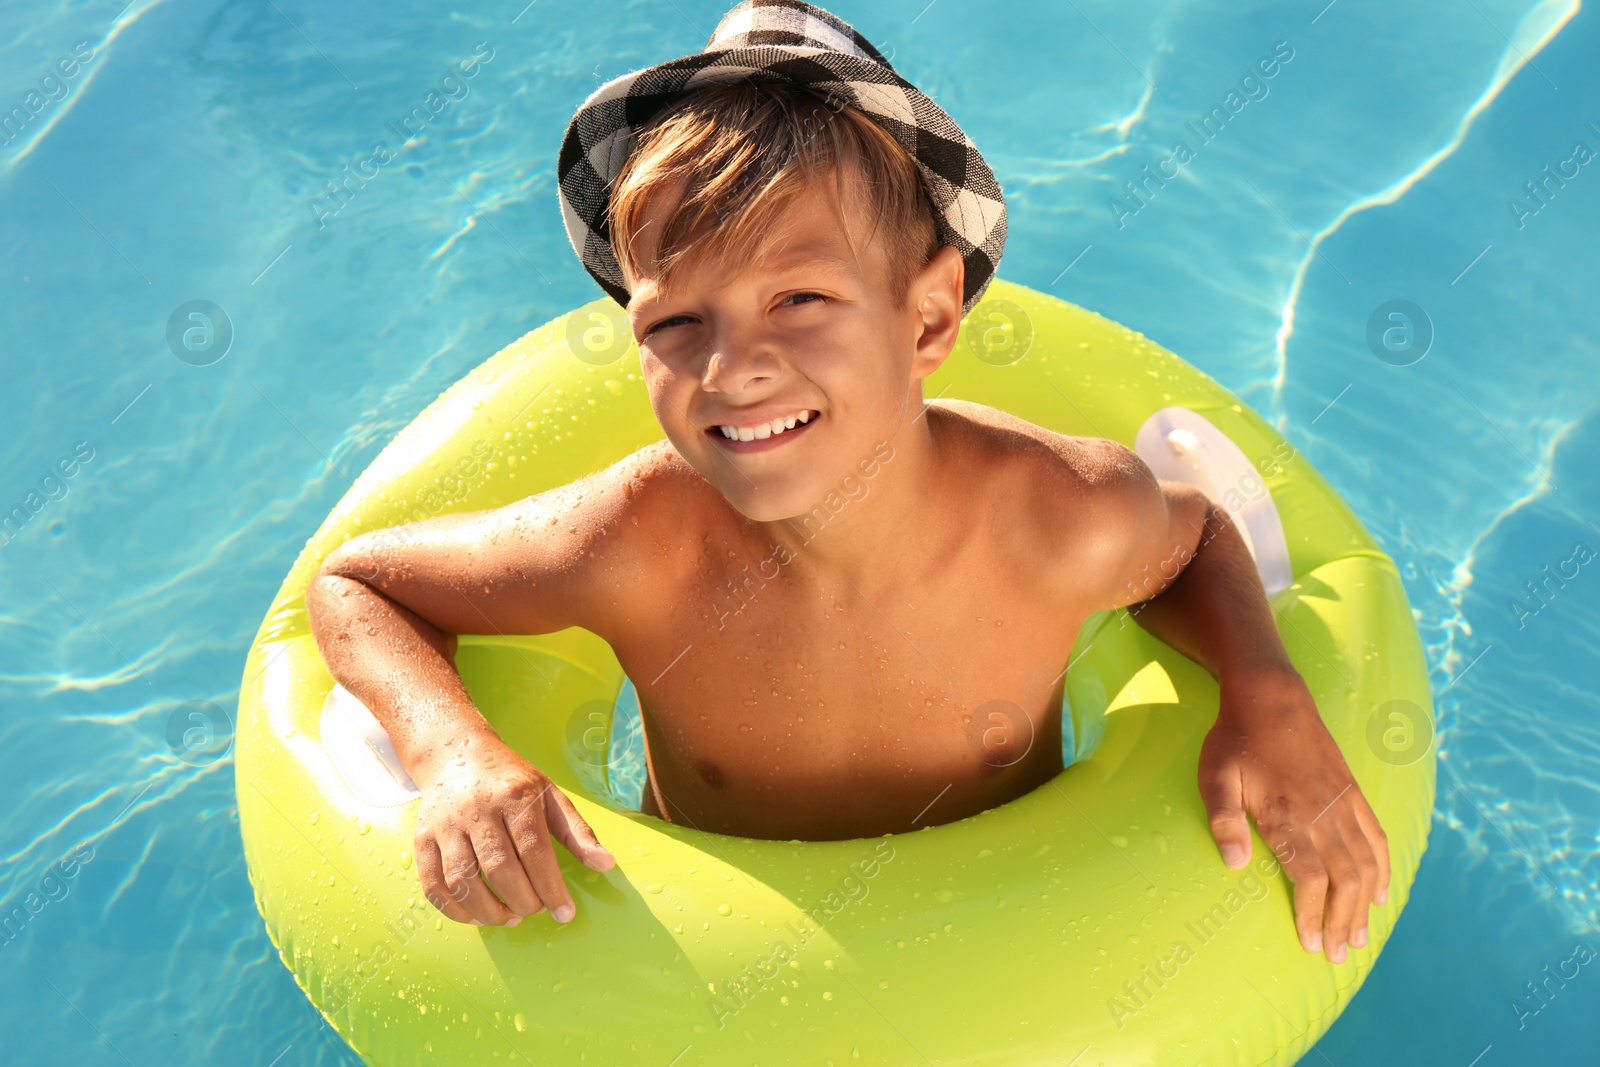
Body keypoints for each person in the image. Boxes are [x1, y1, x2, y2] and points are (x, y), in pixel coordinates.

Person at [304, 0, 1387, 969]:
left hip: (1013, 950)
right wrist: (453, 748)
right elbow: (358, 583)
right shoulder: (639, 542)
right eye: (676, 322)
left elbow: (1193, 539)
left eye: (800, 300)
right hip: (707, 975)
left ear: (926, 318)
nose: (732, 370)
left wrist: (1266, 693)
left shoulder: (1050, 516)